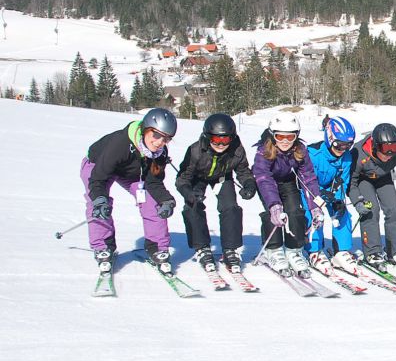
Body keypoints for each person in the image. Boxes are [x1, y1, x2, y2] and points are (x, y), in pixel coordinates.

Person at [82, 108, 179, 275]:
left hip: (132, 173)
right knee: (98, 204)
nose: (159, 142)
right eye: (156, 135)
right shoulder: (120, 144)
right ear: (145, 129)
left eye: (166, 139)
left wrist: (166, 200)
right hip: (98, 167)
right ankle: (103, 246)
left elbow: (154, 182)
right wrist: (99, 198)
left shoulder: (160, 153)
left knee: (152, 201)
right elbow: (98, 178)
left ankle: (157, 248)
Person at [176, 113, 257, 275]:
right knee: (193, 206)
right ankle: (202, 247)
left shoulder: (237, 150)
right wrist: (188, 193)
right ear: (207, 137)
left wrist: (249, 184)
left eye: (225, 140)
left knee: (231, 207)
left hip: (222, 176)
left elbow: (243, 171)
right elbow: (182, 178)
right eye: (216, 139)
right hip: (198, 178)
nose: (220, 144)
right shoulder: (195, 151)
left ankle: (230, 248)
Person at [251, 113, 324, 276]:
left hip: (288, 182)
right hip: (267, 184)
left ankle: (294, 250)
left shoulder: (300, 150)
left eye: (290, 137)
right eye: (280, 136)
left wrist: (315, 207)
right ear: (272, 135)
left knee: (295, 212)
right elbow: (263, 177)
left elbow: (309, 178)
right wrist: (274, 205)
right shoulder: (264, 150)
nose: (285, 141)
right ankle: (274, 250)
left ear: (296, 136)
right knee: (274, 215)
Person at [348, 123, 396, 269]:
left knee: (394, 210)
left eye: (394, 149)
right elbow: (351, 182)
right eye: (385, 150)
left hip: (384, 178)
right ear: (376, 146)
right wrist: (357, 201)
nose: (389, 154)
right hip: (364, 180)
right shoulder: (358, 153)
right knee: (371, 210)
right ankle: (373, 252)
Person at [304, 116, 358, 275]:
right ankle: (314, 251)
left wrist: (338, 199)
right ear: (329, 139)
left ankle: (341, 250)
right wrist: (318, 195)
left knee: (342, 213)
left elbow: (343, 179)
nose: (342, 149)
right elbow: (305, 180)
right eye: (338, 144)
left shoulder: (346, 157)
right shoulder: (313, 154)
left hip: (331, 191)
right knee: (315, 215)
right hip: (311, 190)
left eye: (347, 145)